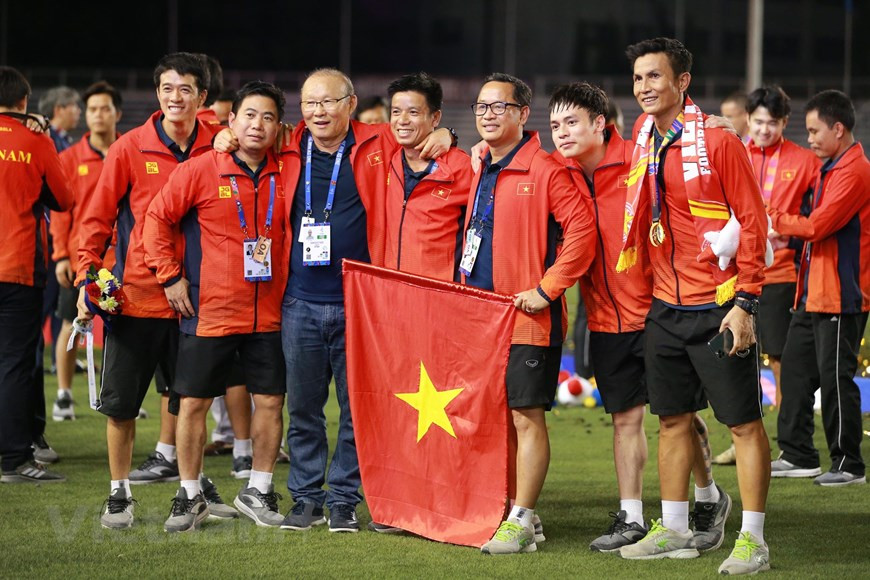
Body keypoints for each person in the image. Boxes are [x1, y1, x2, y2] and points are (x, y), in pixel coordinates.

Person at [219, 68, 453, 533]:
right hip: (299, 302)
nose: (318, 111)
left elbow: (421, 136)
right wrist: (220, 139)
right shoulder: (287, 143)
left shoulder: (377, 141)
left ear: (350, 104)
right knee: (304, 409)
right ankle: (306, 497)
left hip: (359, 303)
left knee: (356, 409)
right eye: (310, 103)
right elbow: (242, 134)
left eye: (328, 102)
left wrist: (447, 135)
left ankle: (344, 499)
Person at [549, 81, 729, 555]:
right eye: (555, 124)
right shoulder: (557, 172)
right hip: (605, 319)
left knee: (679, 415)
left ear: (600, 123)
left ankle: (708, 497)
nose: (561, 133)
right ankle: (631, 517)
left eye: (571, 122)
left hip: (660, 312)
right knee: (625, 420)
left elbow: (702, 173)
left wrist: (717, 133)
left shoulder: (642, 158)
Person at [616, 38, 771, 576]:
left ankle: (753, 540)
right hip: (665, 305)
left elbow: (753, 222)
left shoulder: (720, 142)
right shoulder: (643, 138)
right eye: (638, 78)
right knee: (673, 421)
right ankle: (676, 528)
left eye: (655, 76)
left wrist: (746, 303)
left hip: (720, 305)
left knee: (743, 424)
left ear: (682, 82)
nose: (644, 87)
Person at [76, 52, 234, 529]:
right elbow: (96, 218)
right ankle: (119, 494)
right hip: (138, 299)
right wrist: (87, 277)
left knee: (192, 403)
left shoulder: (221, 143)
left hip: (198, 301)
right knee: (122, 406)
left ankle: (193, 488)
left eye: (185, 89)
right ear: (157, 93)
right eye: (167, 88)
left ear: (202, 97)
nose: (175, 98)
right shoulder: (129, 147)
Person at [457, 73, 595, 555]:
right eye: (481, 107)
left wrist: (546, 289)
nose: (488, 115)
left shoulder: (547, 169)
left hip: (527, 319)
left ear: (521, 113)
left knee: (525, 415)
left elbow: (583, 234)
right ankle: (520, 514)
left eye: (499, 107)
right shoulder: (480, 164)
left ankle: (520, 518)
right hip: (481, 319)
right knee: (496, 419)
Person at [145, 81, 289, 531]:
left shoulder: (290, 169)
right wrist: (169, 275)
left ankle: (259, 489)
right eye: (249, 115)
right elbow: (156, 218)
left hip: (269, 312)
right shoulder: (202, 168)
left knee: (270, 401)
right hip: (211, 310)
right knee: (192, 404)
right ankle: (190, 495)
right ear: (231, 120)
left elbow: (330, 128)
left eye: (268, 117)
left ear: (279, 127)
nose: (257, 125)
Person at [712, 86, 822, 467]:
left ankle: (788, 442)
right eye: (757, 122)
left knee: (779, 359)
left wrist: (782, 223)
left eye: (771, 123)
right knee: (737, 357)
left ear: (785, 123)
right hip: (734, 272)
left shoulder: (804, 161)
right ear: (748, 119)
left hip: (780, 272)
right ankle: (743, 440)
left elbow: (818, 215)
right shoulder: (733, 151)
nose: (763, 130)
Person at [769, 90, 870, 486]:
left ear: (838, 129)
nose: (808, 137)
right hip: (813, 292)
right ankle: (797, 454)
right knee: (795, 372)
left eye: (814, 131)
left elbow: (816, 226)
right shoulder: (831, 167)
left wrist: (773, 219)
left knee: (835, 379)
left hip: (843, 296)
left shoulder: (854, 171)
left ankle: (849, 464)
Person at [0, 66, 73, 483]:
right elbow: (63, 198)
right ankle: (14, 459)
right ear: (24, 100)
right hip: (17, 267)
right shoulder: (35, 140)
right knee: (15, 363)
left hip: (19, 266)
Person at [50, 81, 123, 422]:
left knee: (121, 332)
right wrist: (61, 256)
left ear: (117, 114)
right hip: (82, 257)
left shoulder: (131, 152)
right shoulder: (69, 158)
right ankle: (64, 395)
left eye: (105, 108)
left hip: (122, 258)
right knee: (71, 322)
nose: (98, 115)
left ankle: (119, 395)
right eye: (92, 109)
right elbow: (61, 211)